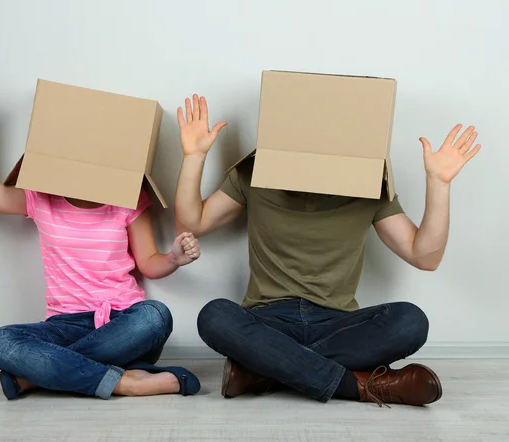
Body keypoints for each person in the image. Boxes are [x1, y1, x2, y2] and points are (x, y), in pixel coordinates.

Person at [174, 94, 481, 407]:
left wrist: (439, 183)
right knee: (214, 316)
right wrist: (194, 156)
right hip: (267, 320)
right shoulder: (253, 174)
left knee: (411, 321)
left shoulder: (370, 186)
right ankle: (356, 386)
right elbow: (193, 221)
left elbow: (425, 256)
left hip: (339, 325)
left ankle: (265, 369)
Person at [0, 76, 202, 401]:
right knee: (0, 341)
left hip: (123, 323)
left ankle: (37, 376)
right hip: (63, 326)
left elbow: (149, 264)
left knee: (155, 316)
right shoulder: (40, 197)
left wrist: (175, 258)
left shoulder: (128, 198)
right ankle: (126, 382)